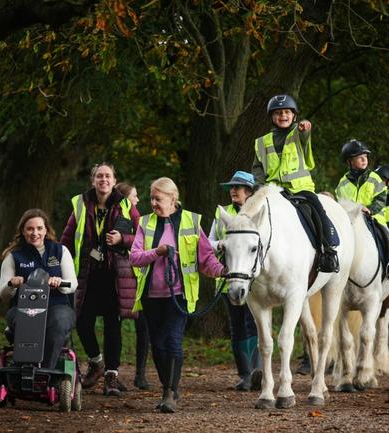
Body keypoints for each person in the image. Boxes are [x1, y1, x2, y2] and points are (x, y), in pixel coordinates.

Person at [129, 177, 226, 413]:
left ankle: (169, 393)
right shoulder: (145, 223)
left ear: (173, 198)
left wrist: (225, 273)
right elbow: (135, 256)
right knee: (158, 346)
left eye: (158, 198)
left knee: (173, 341)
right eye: (151, 198)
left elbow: (206, 259)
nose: (153, 202)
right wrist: (157, 252)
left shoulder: (191, 221)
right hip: (151, 296)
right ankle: (168, 386)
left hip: (180, 296)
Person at [60, 163, 141, 396]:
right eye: (99, 176)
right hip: (87, 274)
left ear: (114, 181)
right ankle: (97, 362)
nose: (103, 179)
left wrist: (122, 239)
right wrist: (57, 264)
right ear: (93, 180)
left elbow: (141, 237)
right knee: (82, 321)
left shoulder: (126, 205)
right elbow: (67, 238)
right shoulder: (81, 204)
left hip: (115, 276)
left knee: (112, 324)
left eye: (107, 176)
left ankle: (111, 376)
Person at [252, 94, 339, 273]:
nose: (282, 116)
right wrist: (259, 188)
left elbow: (305, 132)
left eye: (286, 112)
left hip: (301, 189)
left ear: (294, 116)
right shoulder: (261, 142)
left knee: (318, 210)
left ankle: (329, 250)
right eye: (278, 113)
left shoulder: (297, 134)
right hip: (275, 190)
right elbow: (257, 168)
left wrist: (304, 127)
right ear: (271, 117)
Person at [0, 208, 77, 369]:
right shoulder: (14, 255)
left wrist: (60, 282)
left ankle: (47, 371)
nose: (35, 233)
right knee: (25, 319)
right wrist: (11, 284)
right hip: (23, 306)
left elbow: (73, 284)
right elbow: (3, 293)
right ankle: (25, 367)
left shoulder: (60, 251)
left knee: (58, 322)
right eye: (30, 229)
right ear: (22, 231)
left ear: (46, 229)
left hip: (57, 305)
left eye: (39, 228)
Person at [208, 171, 263, 391]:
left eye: (237, 187)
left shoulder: (259, 214)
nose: (233, 191)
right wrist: (221, 244)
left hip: (252, 281)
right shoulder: (223, 213)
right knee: (237, 326)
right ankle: (245, 375)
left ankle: (257, 369)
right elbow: (208, 242)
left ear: (249, 193)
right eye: (231, 187)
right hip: (228, 278)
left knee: (254, 323)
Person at [335, 140, 389, 280]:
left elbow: (381, 198)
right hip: (351, 220)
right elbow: (340, 203)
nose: (364, 159)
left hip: (373, 217)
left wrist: (371, 210)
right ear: (350, 161)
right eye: (359, 157)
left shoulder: (375, 178)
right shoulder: (342, 183)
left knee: (385, 232)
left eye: (365, 156)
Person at [115, 181, 151, 390]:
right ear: (124, 198)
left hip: (138, 277)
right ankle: (119, 373)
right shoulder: (119, 216)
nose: (137, 200)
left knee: (143, 328)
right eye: (134, 196)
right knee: (118, 326)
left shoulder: (137, 217)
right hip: (123, 278)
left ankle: (140, 373)